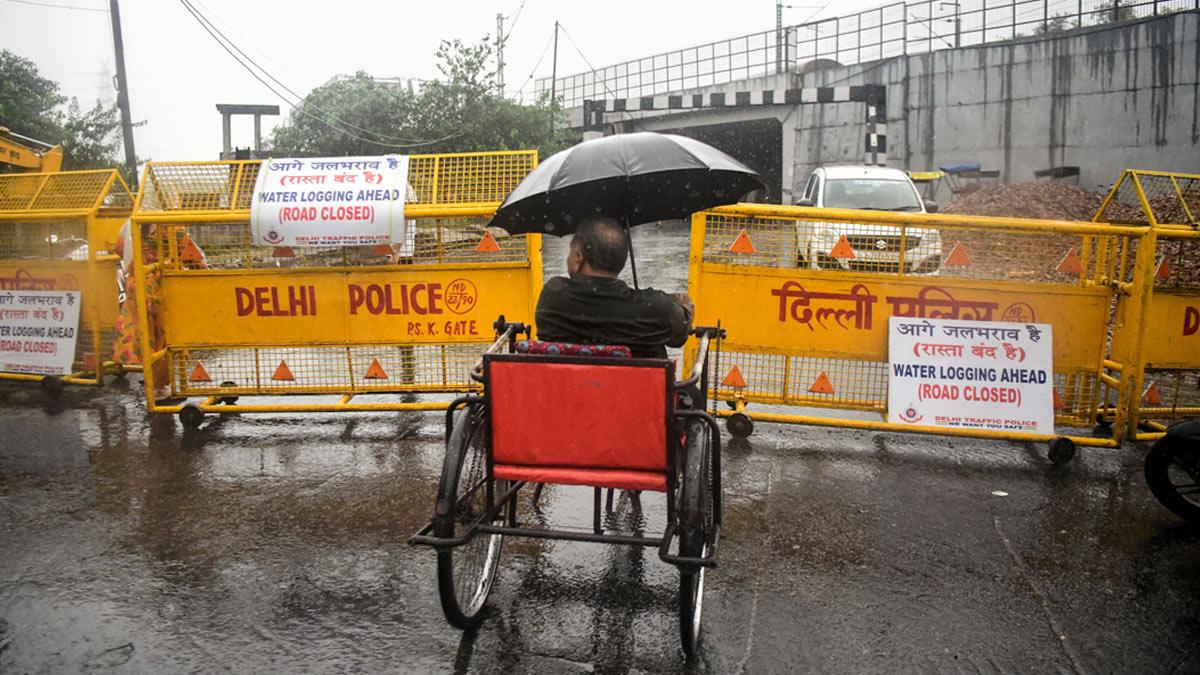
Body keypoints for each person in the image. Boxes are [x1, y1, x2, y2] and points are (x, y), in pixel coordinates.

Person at [535, 214, 693, 359]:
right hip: (634, 388)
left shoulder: (552, 296)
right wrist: (685, 305)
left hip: (566, 388)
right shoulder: (656, 310)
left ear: (578, 257)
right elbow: (678, 336)